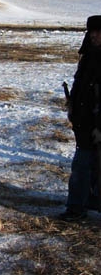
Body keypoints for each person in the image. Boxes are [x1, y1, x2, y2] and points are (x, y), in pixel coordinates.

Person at [60, 15, 101, 221]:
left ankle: (76, 208)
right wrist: (72, 106)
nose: (94, 35)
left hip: (95, 125)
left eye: (98, 32)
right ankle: (90, 201)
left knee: (82, 166)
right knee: (90, 165)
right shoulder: (88, 57)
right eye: (92, 31)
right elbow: (81, 87)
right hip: (84, 122)